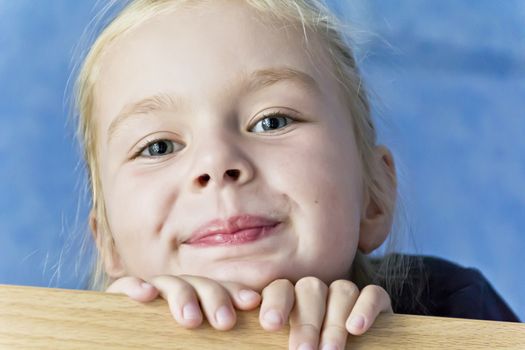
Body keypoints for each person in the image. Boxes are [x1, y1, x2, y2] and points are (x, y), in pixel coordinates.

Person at [73, 0, 520, 348]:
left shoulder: (453, 308)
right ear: (109, 239)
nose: (216, 163)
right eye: (158, 147)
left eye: (272, 121)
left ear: (375, 194)